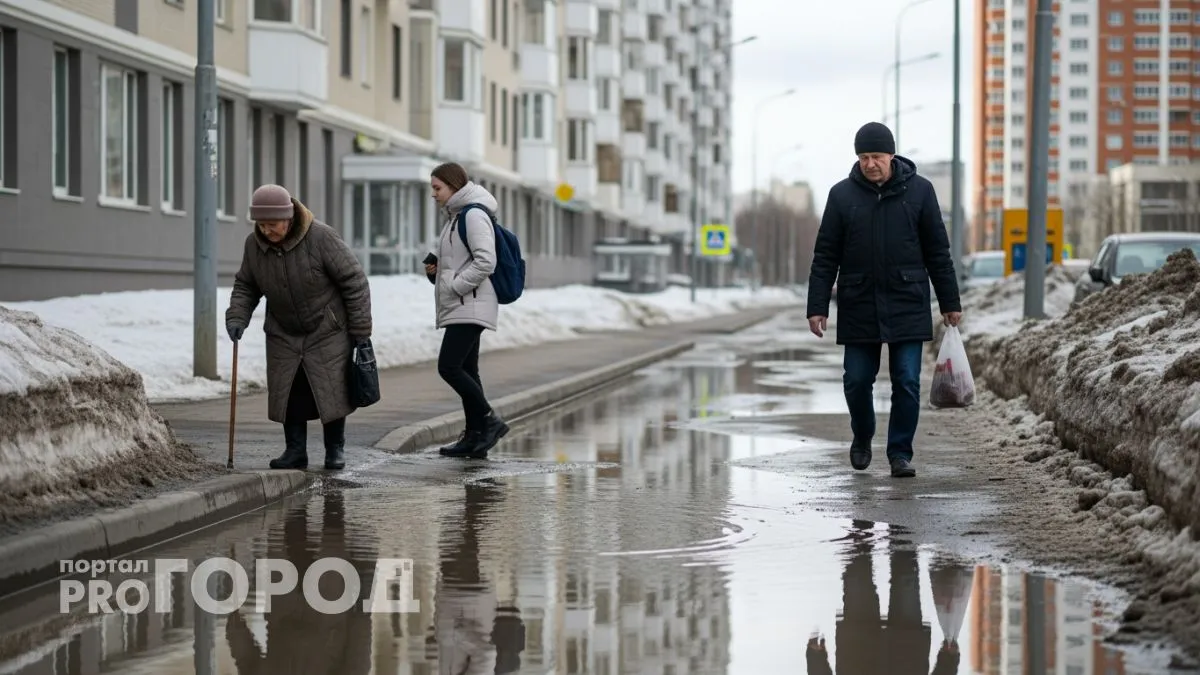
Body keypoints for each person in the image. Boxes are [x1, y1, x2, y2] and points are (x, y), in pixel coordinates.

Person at [806, 122, 961, 479]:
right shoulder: (841, 195)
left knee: (907, 380)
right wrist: (817, 306)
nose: (869, 163)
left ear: (891, 155)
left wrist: (949, 301)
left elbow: (938, 252)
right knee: (857, 380)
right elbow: (826, 255)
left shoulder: (920, 191)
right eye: (863, 157)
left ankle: (900, 453)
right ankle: (862, 435)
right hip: (859, 301)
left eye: (876, 156)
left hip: (908, 298)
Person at [225, 184, 373, 471]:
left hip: (326, 328)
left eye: (273, 224)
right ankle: (295, 451)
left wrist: (360, 331)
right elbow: (246, 285)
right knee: (288, 389)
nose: (267, 231)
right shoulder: (254, 246)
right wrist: (236, 317)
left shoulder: (321, 237)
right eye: (261, 224)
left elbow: (354, 281)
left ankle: (334, 450)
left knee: (331, 389)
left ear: (289, 217)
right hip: (283, 329)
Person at [424, 162, 509, 459]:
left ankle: (489, 420)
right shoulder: (455, 217)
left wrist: (456, 286)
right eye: (432, 188)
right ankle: (475, 437)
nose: (433, 194)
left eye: (438, 188)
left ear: (454, 186)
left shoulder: (472, 215)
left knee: (448, 366)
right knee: (468, 369)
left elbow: (486, 261)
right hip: (464, 302)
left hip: (470, 302)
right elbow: (460, 261)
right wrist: (436, 272)